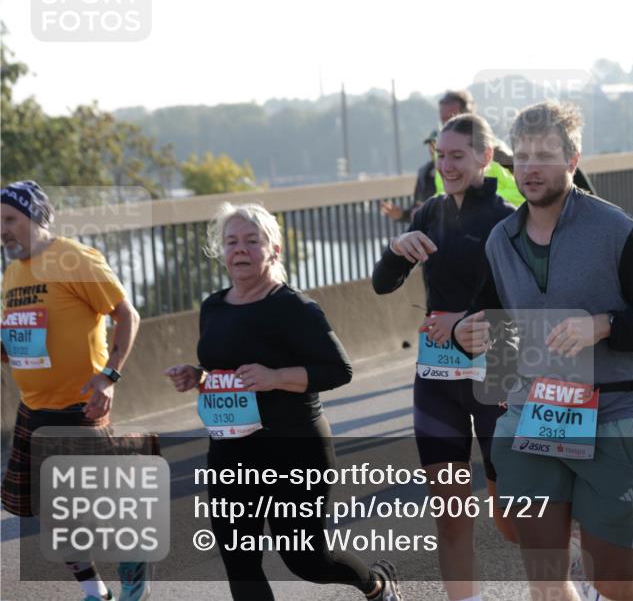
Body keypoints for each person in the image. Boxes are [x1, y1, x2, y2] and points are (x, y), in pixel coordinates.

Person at [454, 101, 633, 601]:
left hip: (613, 408)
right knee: (543, 572)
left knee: (610, 576)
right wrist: (466, 337)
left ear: (572, 160)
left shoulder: (613, 228)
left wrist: (602, 326)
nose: (531, 167)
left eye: (544, 155)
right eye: (522, 156)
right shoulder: (500, 240)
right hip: (537, 411)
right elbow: (489, 320)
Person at [165, 203, 402, 601]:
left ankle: (375, 584)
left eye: (252, 241)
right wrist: (197, 375)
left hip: (294, 446)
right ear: (221, 252)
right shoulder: (214, 306)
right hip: (230, 449)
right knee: (239, 559)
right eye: (232, 242)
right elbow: (223, 370)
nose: (240, 249)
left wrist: (275, 378)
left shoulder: (294, 307)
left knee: (307, 560)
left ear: (273, 249)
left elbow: (338, 370)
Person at [372, 113, 517, 601]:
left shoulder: (506, 218)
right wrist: (396, 250)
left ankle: (588, 563)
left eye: (458, 156)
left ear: (485, 157)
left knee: (514, 519)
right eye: (441, 157)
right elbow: (383, 283)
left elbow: (522, 302)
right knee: (451, 514)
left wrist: (464, 320)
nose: (447, 166)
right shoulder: (429, 212)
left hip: (495, 371)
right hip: (436, 377)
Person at [0, 181, 148, 601]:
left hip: (80, 404)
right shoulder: (12, 272)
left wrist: (109, 376)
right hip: (34, 408)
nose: (2, 230)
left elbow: (126, 313)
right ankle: (94, 591)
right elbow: (21, 348)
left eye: (10, 219)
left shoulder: (72, 257)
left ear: (38, 218)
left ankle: (134, 560)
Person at [381, 90, 475, 224]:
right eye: (444, 121)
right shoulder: (425, 173)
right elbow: (420, 211)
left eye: (453, 118)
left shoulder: (492, 155)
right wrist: (403, 215)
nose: (448, 126)